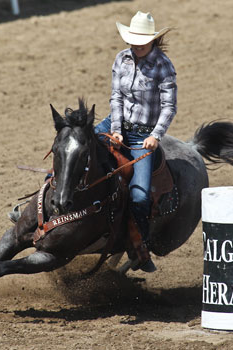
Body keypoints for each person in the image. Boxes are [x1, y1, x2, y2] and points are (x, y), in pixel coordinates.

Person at [95, 11, 177, 272]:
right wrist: (116, 129)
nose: (137, 43)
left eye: (142, 39)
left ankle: (141, 249)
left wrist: (155, 135)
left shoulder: (163, 65)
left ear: (153, 40)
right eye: (133, 39)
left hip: (144, 135)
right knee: (74, 147)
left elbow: (169, 107)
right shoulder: (121, 59)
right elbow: (116, 98)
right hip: (116, 123)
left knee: (140, 197)